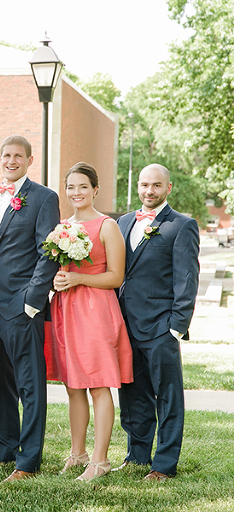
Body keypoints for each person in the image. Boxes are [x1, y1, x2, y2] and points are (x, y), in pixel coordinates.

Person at [0, 135, 59, 482]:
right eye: (6, 155)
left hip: (22, 306)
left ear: (29, 159)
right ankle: (4, 447)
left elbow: (48, 251)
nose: (11, 160)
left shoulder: (44, 198)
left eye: (18, 156)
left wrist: (32, 301)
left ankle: (28, 460)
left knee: (29, 385)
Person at [48, 163, 133, 481]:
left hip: (96, 309)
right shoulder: (60, 228)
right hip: (66, 309)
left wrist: (79, 278)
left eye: (83, 186)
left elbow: (116, 276)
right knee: (73, 386)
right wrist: (58, 280)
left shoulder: (107, 226)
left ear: (95, 189)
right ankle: (78, 452)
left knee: (98, 385)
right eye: (71, 187)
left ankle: (100, 460)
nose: (76, 193)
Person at [116, 163, 200, 482]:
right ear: (137, 187)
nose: (149, 191)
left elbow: (187, 278)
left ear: (168, 188)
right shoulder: (123, 222)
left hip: (161, 327)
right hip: (126, 326)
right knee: (132, 395)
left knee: (168, 397)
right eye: (144, 185)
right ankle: (137, 455)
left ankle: (164, 464)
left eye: (156, 185)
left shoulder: (182, 225)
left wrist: (176, 327)